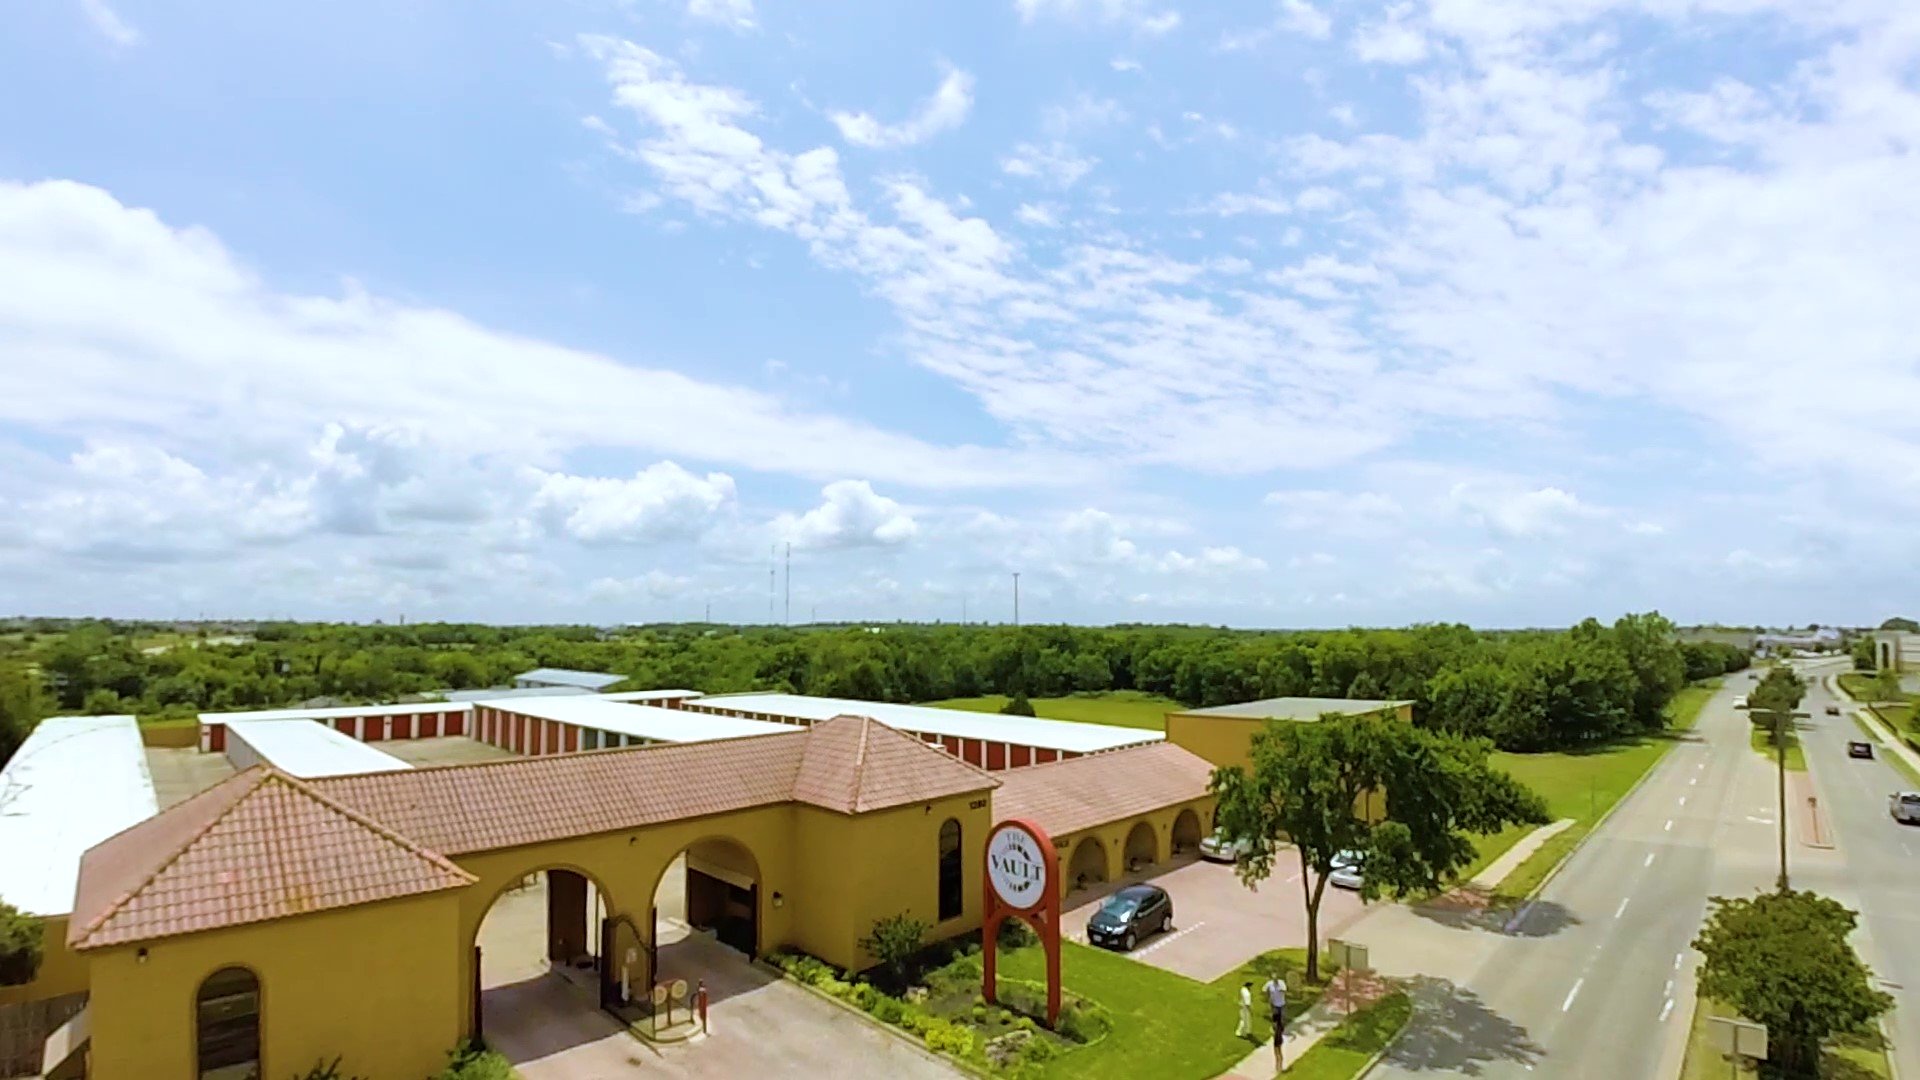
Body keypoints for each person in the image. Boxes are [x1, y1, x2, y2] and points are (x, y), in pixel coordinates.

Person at [1264, 973, 1288, 1066]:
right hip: (1274, 1005)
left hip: (1281, 1005)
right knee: (1275, 1018)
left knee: (1279, 1019)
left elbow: (1284, 989)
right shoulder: (1270, 984)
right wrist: (1268, 997)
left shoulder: (1281, 983)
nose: (1275, 980)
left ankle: (1279, 1064)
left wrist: (1282, 990)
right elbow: (1264, 989)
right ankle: (1278, 1064)